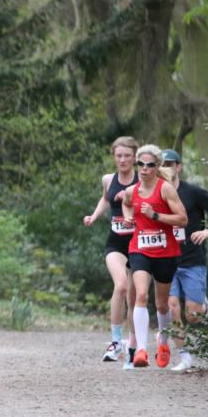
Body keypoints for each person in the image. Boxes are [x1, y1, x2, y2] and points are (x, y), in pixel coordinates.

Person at [122, 144, 188, 368]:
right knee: (140, 295)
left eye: (150, 165)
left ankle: (163, 342)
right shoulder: (131, 191)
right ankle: (141, 350)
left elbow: (183, 219)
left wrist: (156, 215)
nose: (144, 168)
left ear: (157, 166)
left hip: (165, 251)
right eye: (140, 164)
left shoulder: (165, 189)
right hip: (139, 249)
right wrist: (128, 217)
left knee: (161, 304)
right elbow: (126, 204)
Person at [160, 149, 208, 372]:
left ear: (178, 167)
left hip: (192, 260)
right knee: (172, 307)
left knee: (193, 316)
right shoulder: (155, 193)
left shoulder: (193, 192)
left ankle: (202, 305)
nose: (166, 168)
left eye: (170, 164)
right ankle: (184, 357)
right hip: (166, 260)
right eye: (162, 164)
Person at [84, 136, 138, 365]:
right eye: (119, 156)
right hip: (115, 242)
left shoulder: (143, 180)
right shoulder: (108, 179)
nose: (123, 160)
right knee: (121, 286)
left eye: (127, 156)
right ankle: (115, 342)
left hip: (139, 242)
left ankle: (134, 344)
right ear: (114, 157)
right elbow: (105, 199)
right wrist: (94, 216)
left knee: (135, 297)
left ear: (135, 158)